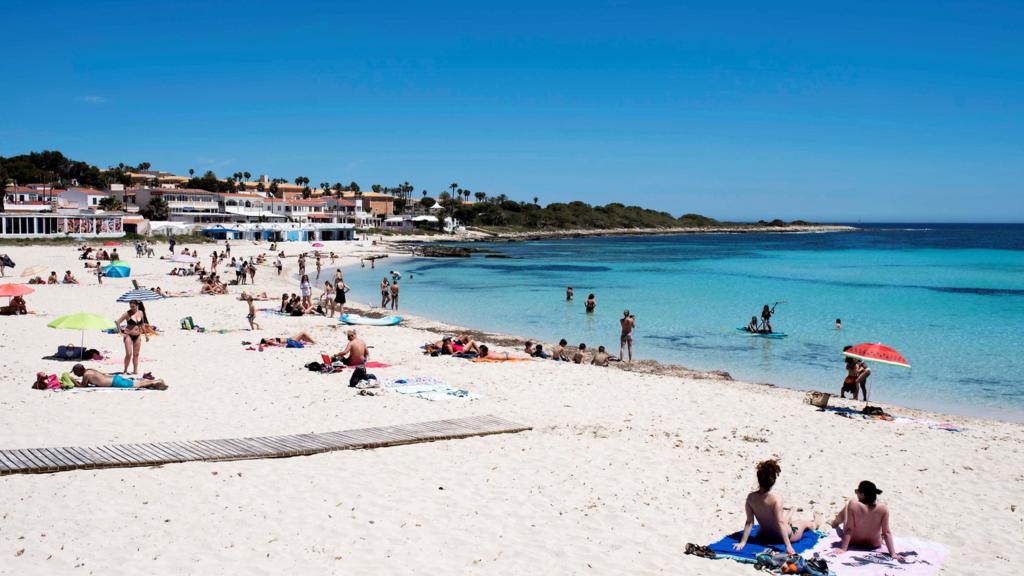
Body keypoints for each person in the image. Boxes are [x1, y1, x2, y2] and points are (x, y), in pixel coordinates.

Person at [732, 459, 820, 556]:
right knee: (801, 522)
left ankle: (791, 512)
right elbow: (780, 523)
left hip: (763, 536)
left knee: (782, 520)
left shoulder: (750, 498)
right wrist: (788, 546)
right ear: (773, 481)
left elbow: (749, 522)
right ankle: (816, 522)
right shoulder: (776, 499)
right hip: (782, 537)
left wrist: (743, 542)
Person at [828, 481, 903, 561]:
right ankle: (834, 522)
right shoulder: (883, 508)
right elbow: (886, 532)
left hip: (853, 540)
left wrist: (843, 549)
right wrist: (893, 554)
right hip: (874, 544)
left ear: (863, 495)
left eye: (857, 492)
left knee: (847, 506)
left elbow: (849, 528)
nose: (856, 494)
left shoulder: (853, 504)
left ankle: (835, 523)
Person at [69, 364, 167, 390]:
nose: (76, 375)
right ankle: (155, 383)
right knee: (136, 383)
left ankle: (157, 381)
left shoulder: (86, 375)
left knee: (137, 385)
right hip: (115, 378)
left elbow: (83, 387)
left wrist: (73, 380)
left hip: (115, 382)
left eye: (76, 373)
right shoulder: (90, 370)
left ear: (79, 371)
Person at [117, 299, 150, 375]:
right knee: (129, 353)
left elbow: (142, 324)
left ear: (137, 306)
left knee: (136, 354)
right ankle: (125, 370)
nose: (132, 308)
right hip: (128, 335)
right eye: (130, 306)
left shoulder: (140, 313)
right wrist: (120, 332)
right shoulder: (127, 314)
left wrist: (145, 335)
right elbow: (118, 322)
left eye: (133, 306)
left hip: (137, 335)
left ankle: (135, 370)